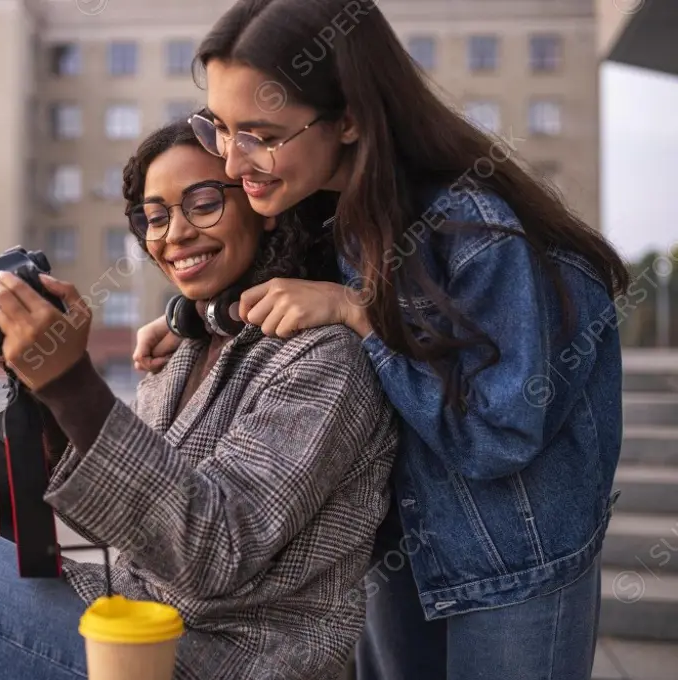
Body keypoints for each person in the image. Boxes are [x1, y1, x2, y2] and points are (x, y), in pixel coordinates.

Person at [0, 120, 398, 680]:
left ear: (261, 206)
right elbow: (131, 521)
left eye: (203, 202)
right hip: (126, 622)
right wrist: (42, 394)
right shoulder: (182, 349)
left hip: (220, 659)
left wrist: (71, 384)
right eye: (153, 217)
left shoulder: (320, 359)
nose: (174, 233)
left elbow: (211, 553)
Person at [130, 2, 632, 679]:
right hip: (400, 558)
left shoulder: (475, 237)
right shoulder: (319, 210)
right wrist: (191, 318)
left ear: (351, 119)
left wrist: (359, 313)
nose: (232, 161)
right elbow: (265, 278)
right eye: (218, 127)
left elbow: (499, 436)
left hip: (515, 565)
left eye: (260, 134)